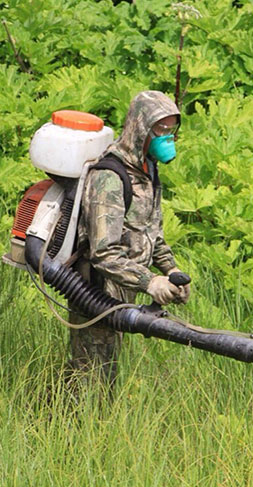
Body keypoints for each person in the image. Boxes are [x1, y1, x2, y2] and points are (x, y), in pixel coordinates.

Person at [68, 90, 190, 389]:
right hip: (97, 290)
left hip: (125, 290)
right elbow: (104, 253)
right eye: (160, 129)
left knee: (107, 372)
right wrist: (150, 282)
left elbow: (150, 231)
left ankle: (90, 426)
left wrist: (171, 271)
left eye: (171, 129)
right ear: (140, 128)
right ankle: (67, 427)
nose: (167, 137)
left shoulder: (147, 170)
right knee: (90, 376)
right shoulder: (111, 177)